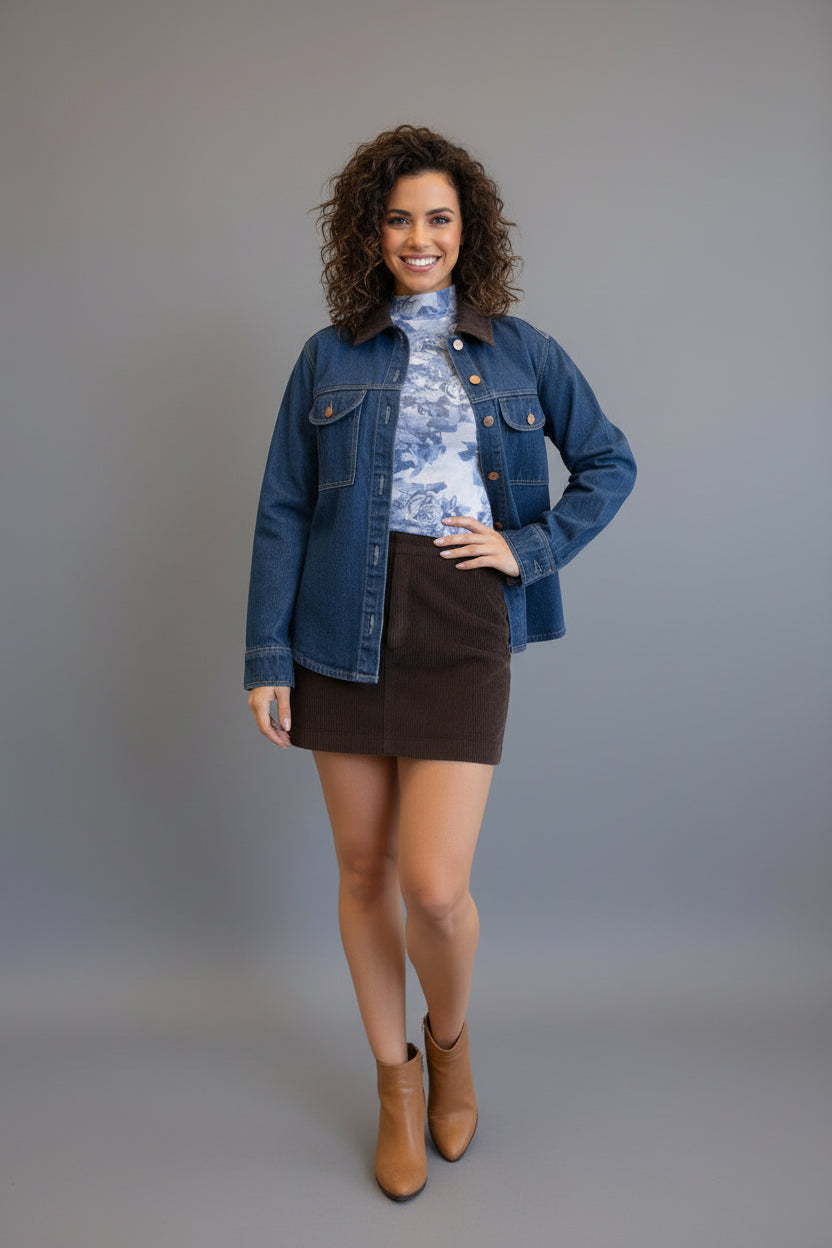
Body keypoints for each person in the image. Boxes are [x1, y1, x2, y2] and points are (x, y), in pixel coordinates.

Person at [244, 124, 636, 1201]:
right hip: (337, 626)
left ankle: (451, 1041)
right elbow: (283, 508)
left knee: (433, 883)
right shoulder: (327, 357)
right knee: (364, 870)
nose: (420, 236)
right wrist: (265, 654)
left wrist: (529, 546)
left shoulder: (522, 351)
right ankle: (397, 1084)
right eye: (401, 217)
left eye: (440, 219)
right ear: (370, 232)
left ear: (469, 234)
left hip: (461, 622)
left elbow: (607, 459)